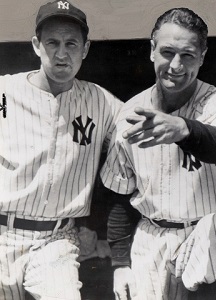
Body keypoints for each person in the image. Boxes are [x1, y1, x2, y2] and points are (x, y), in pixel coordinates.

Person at [100, 7, 216, 300]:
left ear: (203, 55)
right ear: (152, 50)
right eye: (167, 52)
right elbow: (119, 193)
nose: (176, 65)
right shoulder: (130, 112)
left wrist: (185, 129)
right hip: (152, 239)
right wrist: (120, 263)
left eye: (187, 55)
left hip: (210, 241)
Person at [0, 1, 124, 299]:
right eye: (52, 43)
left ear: (85, 48)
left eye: (71, 43)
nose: (61, 53)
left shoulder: (102, 102)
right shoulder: (4, 92)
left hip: (56, 238)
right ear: (36, 45)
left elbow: (140, 131)